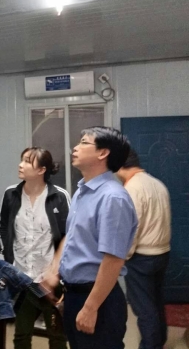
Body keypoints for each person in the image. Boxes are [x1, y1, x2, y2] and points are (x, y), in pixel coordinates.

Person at [41, 126, 138, 349]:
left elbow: (113, 259)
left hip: (97, 299)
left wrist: (90, 307)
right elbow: (71, 236)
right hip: (74, 295)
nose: (75, 148)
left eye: (84, 142)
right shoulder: (82, 191)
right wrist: (54, 270)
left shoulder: (113, 198)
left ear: (103, 153)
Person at [0, 147, 70, 349]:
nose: (21, 165)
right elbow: (3, 227)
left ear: (41, 170)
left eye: (28, 162)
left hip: (50, 279)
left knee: (57, 336)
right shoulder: (11, 195)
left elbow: (69, 235)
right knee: (21, 335)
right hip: (23, 279)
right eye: (21, 160)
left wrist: (56, 272)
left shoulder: (59, 196)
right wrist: (8, 260)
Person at [117, 149, 171, 349]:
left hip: (141, 257)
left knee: (144, 309)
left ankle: (150, 346)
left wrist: (123, 256)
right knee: (156, 302)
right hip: (162, 252)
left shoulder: (131, 189)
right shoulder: (157, 184)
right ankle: (159, 341)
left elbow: (133, 228)